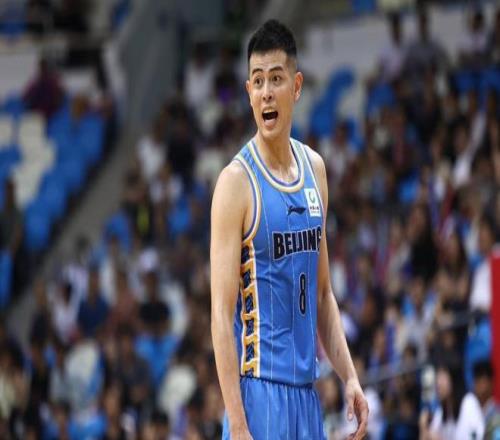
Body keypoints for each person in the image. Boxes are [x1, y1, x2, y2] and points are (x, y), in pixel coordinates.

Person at [210, 19, 368, 439]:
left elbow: (323, 294)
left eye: (276, 79)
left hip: (307, 398)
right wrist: (238, 424)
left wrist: (350, 376)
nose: (266, 91)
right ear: (248, 92)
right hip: (258, 397)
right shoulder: (235, 183)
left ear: (296, 87)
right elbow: (220, 317)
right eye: (258, 81)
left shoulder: (315, 170)